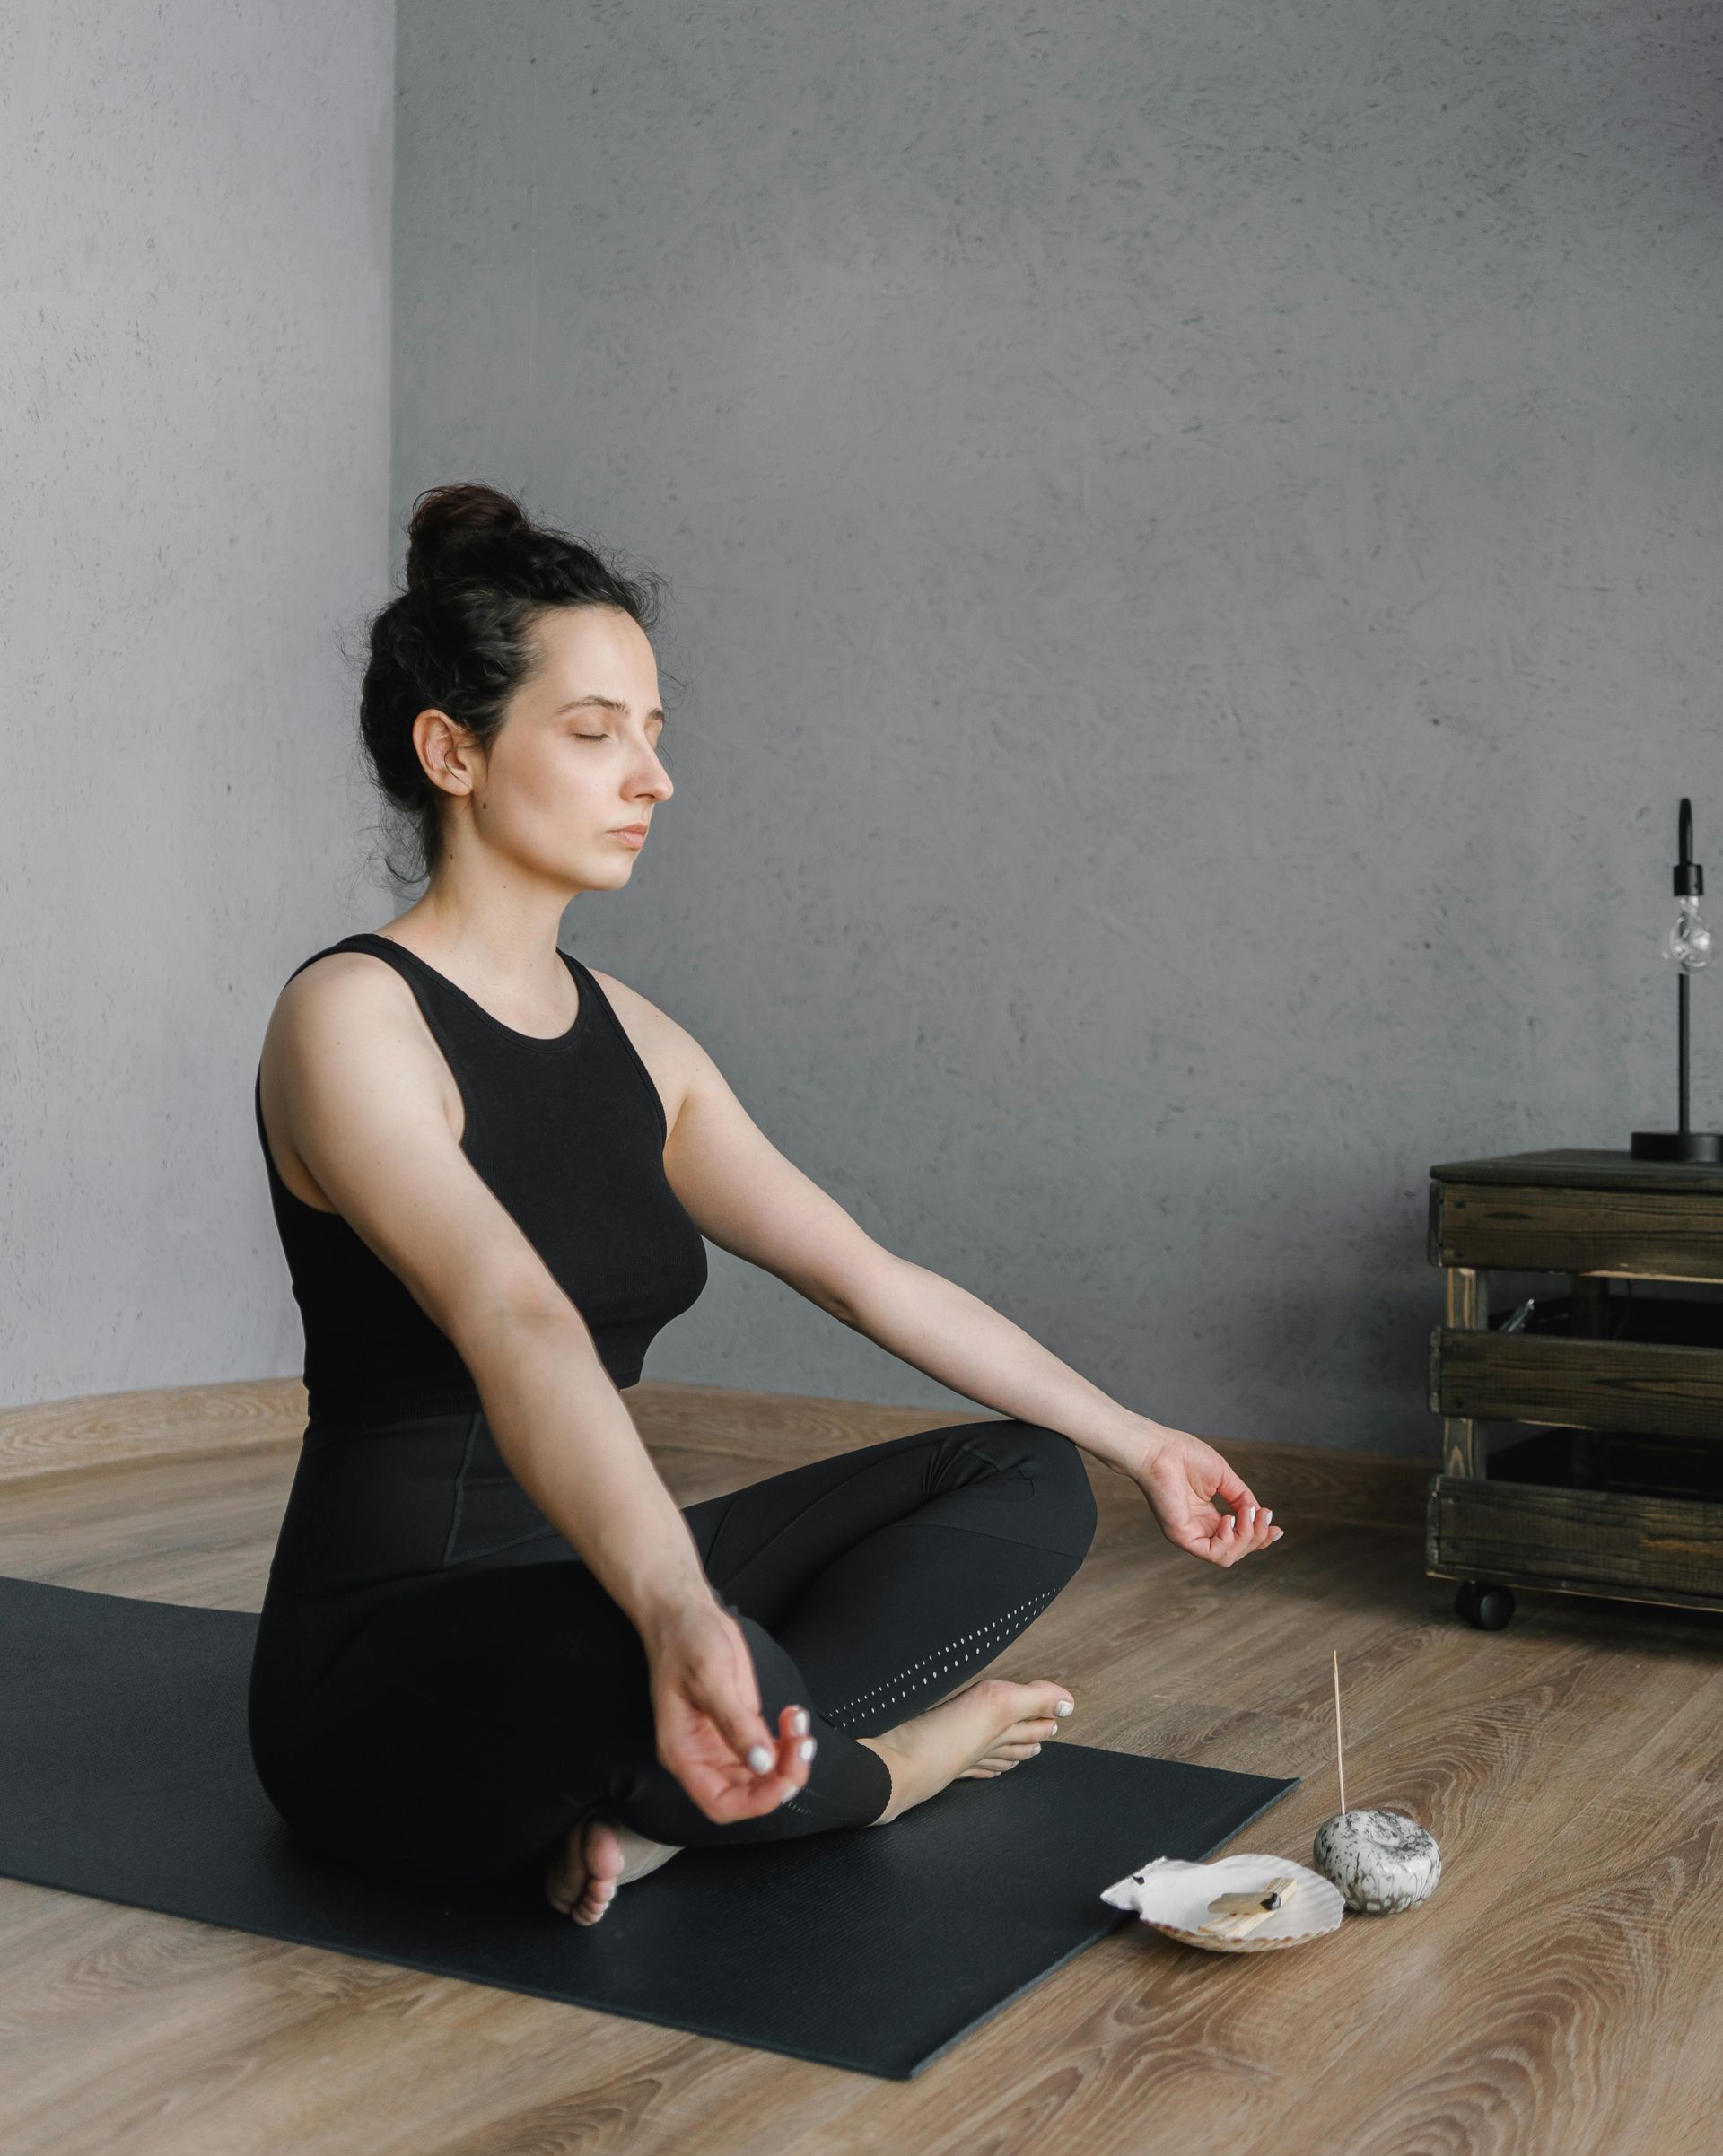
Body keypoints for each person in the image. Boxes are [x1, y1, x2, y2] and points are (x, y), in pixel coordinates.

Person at [248, 483, 1284, 1927]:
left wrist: (1144, 1441)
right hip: (389, 1667)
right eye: (597, 730)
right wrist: (679, 1614)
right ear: (452, 751)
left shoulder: (638, 1039)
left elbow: (870, 1276)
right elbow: (517, 1313)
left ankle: (687, 1796)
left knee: (1027, 1476)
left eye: (656, 734)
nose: (652, 779)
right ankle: (898, 1766)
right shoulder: (351, 1015)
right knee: (666, 1658)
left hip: (609, 1569)